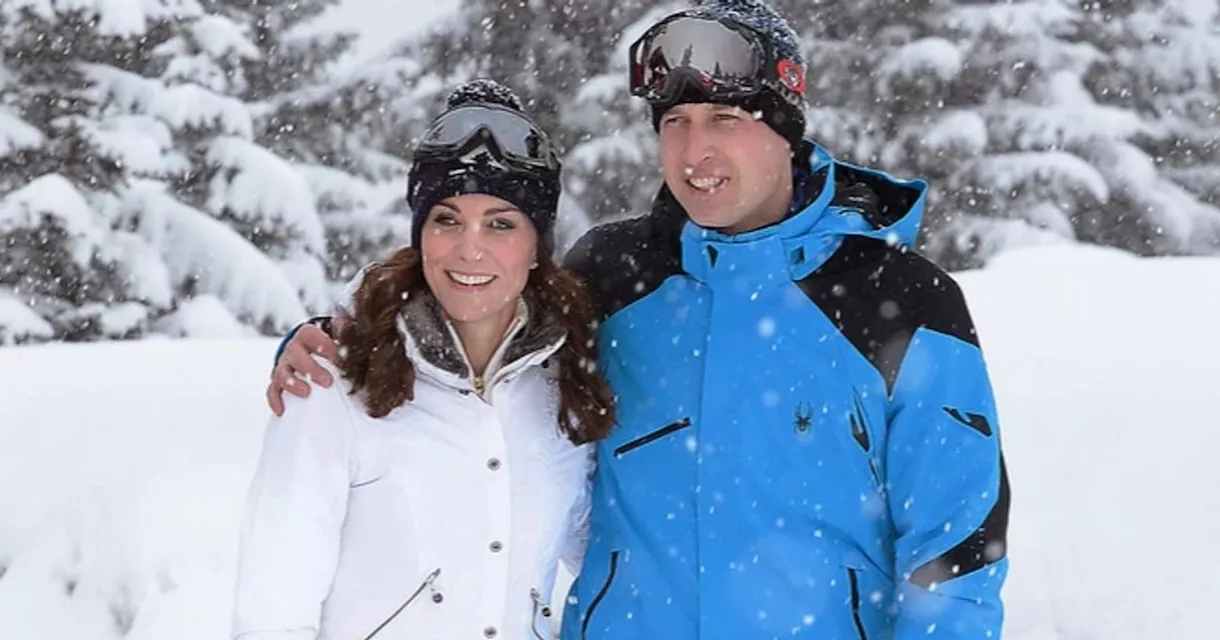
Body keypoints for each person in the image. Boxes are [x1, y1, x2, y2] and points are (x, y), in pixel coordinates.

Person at [268, 1, 1011, 638]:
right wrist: (328, 340)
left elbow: (957, 550)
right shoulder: (616, 273)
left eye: (727, 118)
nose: (696, 151)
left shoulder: (901, 301)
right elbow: (472, 313)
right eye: (676, 122)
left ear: (787, 131)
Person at [232, 79, 615, 640]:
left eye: (501, 224)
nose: (469, 248)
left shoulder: (565, 385)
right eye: (447, 219)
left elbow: (611, 564)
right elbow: (272, 614)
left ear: (537, 248)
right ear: (420, 235)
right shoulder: (331, 382)